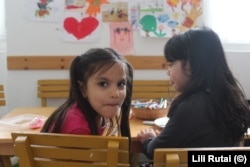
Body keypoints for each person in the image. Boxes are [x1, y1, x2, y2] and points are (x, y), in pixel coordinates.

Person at [137, 27, 250, 160]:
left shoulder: (191, 107)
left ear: (192, 63)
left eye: (171, 64)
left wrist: (148, 139)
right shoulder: (232, 98)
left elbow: (156, 150)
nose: (168, 71)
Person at [41, 48, 133, 138]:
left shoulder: (95, 112)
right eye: (103, 84)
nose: (115, 94)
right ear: (83, 89)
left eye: (121, 84)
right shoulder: (78, 128)